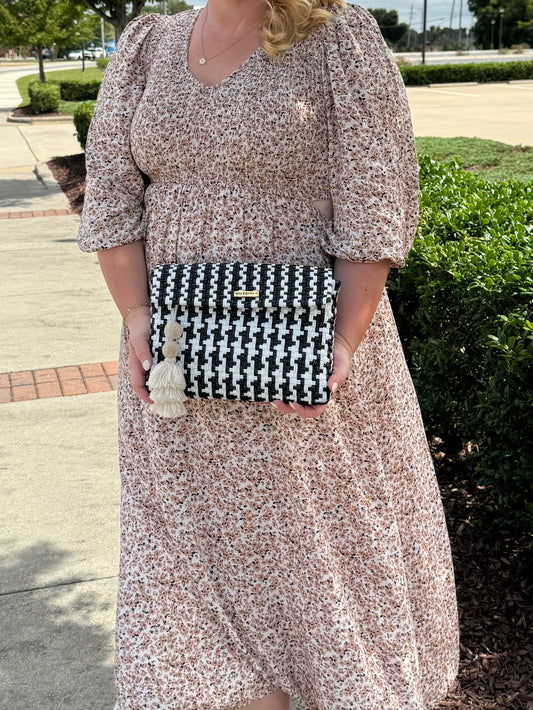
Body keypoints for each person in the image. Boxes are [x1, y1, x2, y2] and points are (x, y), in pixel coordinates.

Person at [77, 1, 459, 708]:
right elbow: (109, 195)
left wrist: (341, 341)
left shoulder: (336, 36)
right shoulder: (146, 44)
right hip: (177, 370)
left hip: (299, 357)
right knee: (185, 577)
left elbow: (373, 201)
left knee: (315, 567)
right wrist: (135, 318)